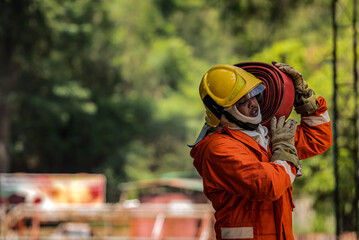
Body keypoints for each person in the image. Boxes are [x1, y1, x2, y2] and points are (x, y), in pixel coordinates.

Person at [189, 62, 332, 240]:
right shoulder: (218, 149)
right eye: (243, 101)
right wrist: (285, 152)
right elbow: (269, 185)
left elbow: (318, 138)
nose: (253, 103)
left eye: (255, 95)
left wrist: (304, 98)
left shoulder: (266, 135)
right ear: (223, 110)